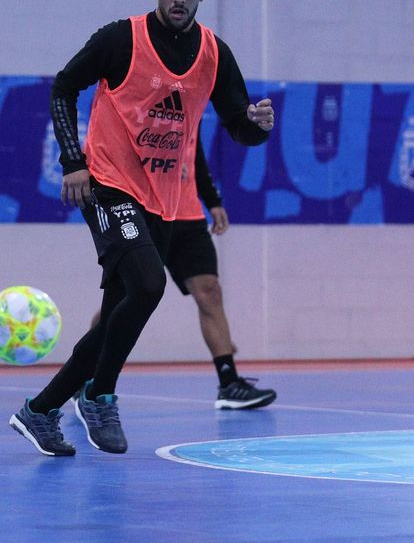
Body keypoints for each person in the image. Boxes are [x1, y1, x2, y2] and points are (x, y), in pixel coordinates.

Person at [10, 0, 274, 456]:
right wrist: (73, 161)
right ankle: (101, 395)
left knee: (115, 313)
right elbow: (63, 87)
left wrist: (258, 126)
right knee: (149, 284)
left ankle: (40, 411)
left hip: (168, 203)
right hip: (108, 183)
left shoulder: (215, 54)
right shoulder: (121, 39)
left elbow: (240, 125)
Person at [87, 137, 276, 411]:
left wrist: (211, 199)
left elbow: (192, 148)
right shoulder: (131, 97)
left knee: (209, 289)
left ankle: (229, 383)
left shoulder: (191, 97)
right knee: (124, 298)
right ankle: (85, 372)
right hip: (141, 207)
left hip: (185, 211)